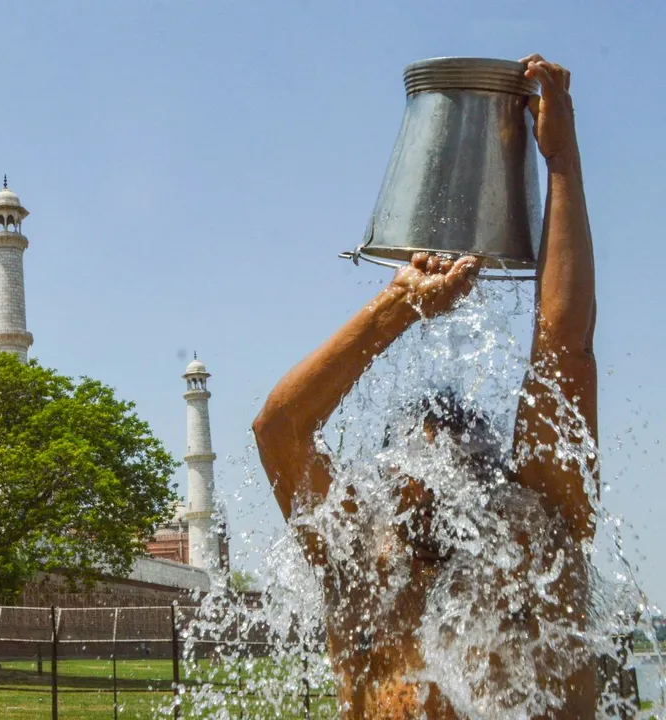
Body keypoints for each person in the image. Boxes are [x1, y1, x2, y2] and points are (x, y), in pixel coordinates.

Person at [252, 54, 597, 719]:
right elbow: (279, 429)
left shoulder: (537, 526)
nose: (422, 483)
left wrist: (559, 161)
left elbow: (565, 352)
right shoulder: (358, 560)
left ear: (490, 479)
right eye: (412, 466)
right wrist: (395, 307)